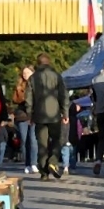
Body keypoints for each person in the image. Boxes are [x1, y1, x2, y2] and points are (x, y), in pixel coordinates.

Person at [28, 52, 68, 180]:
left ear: (38, 63)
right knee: (57, 139)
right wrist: (65, 112)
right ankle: (53, 160)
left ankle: (44, 173)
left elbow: (29, 98)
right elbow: (63, 95)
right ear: (49, 62)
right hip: (54, 114)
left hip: (39, 115)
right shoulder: (57, 76)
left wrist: (30, 114)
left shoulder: (32, 78)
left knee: (42, 144)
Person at [13, 65, 38, 175]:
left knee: (33, 140)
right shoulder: (19, 85)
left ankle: (34, 163)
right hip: (22, 116)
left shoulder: (38, 84)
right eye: (24, 73)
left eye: (27, 73)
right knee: (24, 141)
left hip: (34, 115)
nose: (25, 75)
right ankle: (27, 164)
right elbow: (15, 99)